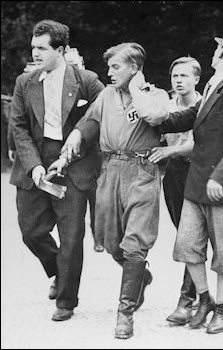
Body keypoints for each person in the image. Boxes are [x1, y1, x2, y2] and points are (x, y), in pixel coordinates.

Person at [48, 42, 169, 339]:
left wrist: (138, 89)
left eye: (116, 67)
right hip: (110, 170)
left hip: (141, 172)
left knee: (134, 244)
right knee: (111, 242)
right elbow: (88, 124)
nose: (109, 72)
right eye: (109, 67)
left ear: (135, 68)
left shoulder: (156, 95)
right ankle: (142, 275)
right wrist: (67, 151)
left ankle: (124, 314)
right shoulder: (106, 96)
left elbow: (154, 117)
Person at [139, 32, 223, 334]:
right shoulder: (214, 84)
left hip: (221, 187)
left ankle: (221, 310)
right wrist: (158, 120)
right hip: (197, 183)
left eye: (218, 49)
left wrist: (220, 176)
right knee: (188, 245)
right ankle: (203, 299)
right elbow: (191, 116)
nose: (213, 52)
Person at [9, 19, 104, 321]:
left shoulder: (87, 80)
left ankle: (66, 302)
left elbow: (101, 113)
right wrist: (34, 166)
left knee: (72, 237)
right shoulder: (25, 82)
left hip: (74, 166)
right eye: (33, 47)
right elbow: (19, 127)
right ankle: (58, 273)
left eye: (42, 48)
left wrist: (79, 137)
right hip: (34, 163)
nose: (35, 54)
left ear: (61, 50)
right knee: (31, 232)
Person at [148, 56, 202, 326]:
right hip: (174, 175)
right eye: (175, 76)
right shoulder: (165, 107)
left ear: (196, 79)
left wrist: (171, 149)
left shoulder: (203, 106)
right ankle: (200, 295)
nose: (178, 80)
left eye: (184, 76)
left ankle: (186, 301)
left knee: (192, 238)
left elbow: (199, 144)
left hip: (198, 173)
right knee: (184, 236)